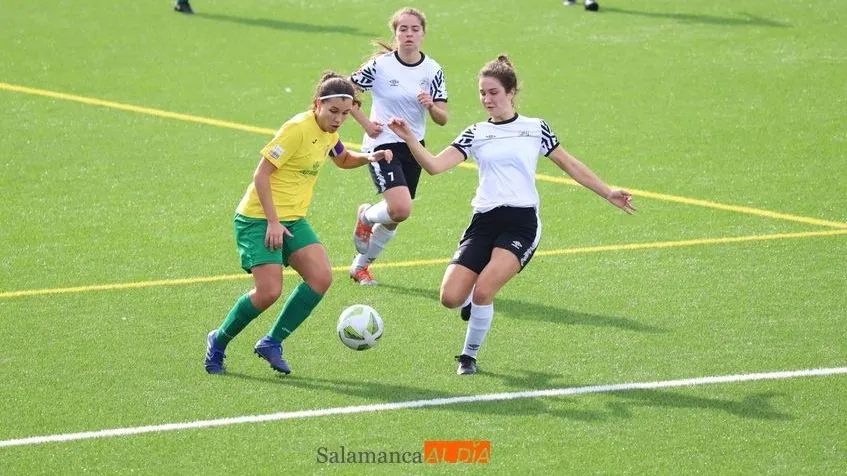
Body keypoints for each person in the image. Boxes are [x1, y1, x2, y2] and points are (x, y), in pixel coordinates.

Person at [387, 55, 635, 375]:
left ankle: (468, 356)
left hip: (521, 223)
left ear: (511, 92)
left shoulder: (535, 128)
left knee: (484, 290)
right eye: (482, 93)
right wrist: (409, 137)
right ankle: (468, 307)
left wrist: (607, 192)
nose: (487, 99)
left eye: (493, 92)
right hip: (484, 221)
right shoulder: (475, 132)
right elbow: (434, 166)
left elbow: (570, 164)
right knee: (450, 297)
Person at [204, 72, 393, 375]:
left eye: (345, 114)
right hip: (258, 219)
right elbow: (261, 175)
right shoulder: (296, 129)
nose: (338, 119)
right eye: (333, 112)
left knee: (321, 278)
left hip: (292, 218)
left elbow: (342, 159)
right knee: (268, 292)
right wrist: (273, 223)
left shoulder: (329, 132)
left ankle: (272, 342)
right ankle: (218, 340)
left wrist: (371, 157)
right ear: (318, 104)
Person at [347, 7, 449, 286]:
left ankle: (360, 267)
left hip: (413, 145)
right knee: (401, 208)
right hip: (383, 143)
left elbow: (443, 118)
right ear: (395, 33)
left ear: (423, 34)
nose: (409, 34)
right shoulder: (381, 66)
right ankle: (366, 216)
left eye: (415, 29)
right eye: (403, 29)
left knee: (394, 217)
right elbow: (346, 90)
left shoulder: (433, 69)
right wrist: (366, 123)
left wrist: (430, 105)